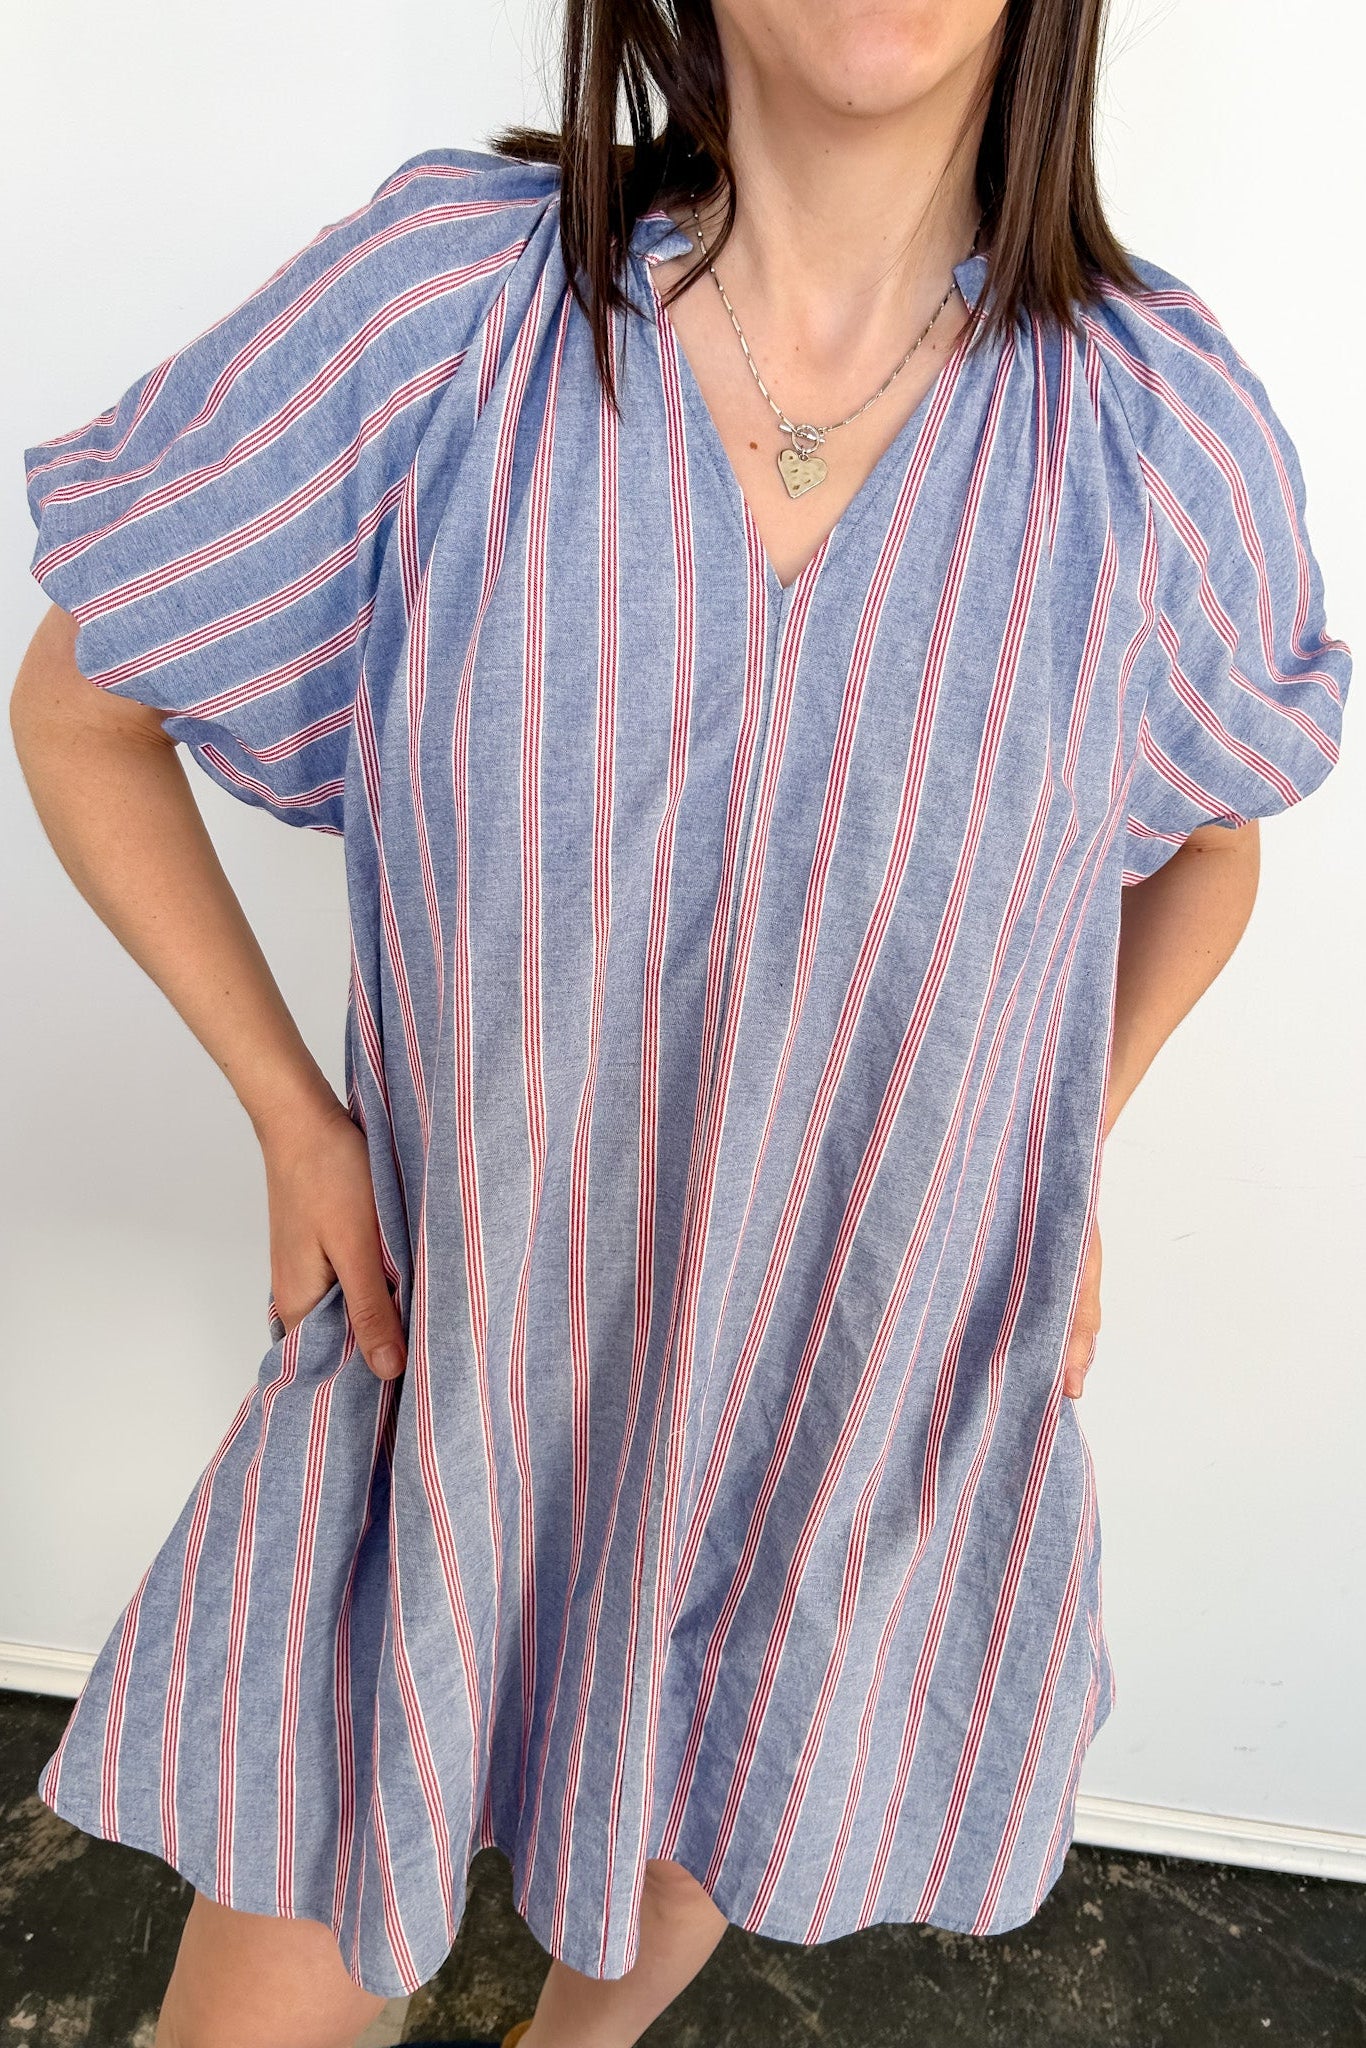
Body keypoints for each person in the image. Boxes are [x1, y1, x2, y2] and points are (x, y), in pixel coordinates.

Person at [10, 0, 1353, 2043]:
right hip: (451, 1370)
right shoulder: (448, 316)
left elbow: (1206, 843)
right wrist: (294, 1113)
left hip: (841, 1387)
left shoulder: (1152, 438)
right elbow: (81, 706)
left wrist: (1052, 1141)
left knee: (705, 1782)